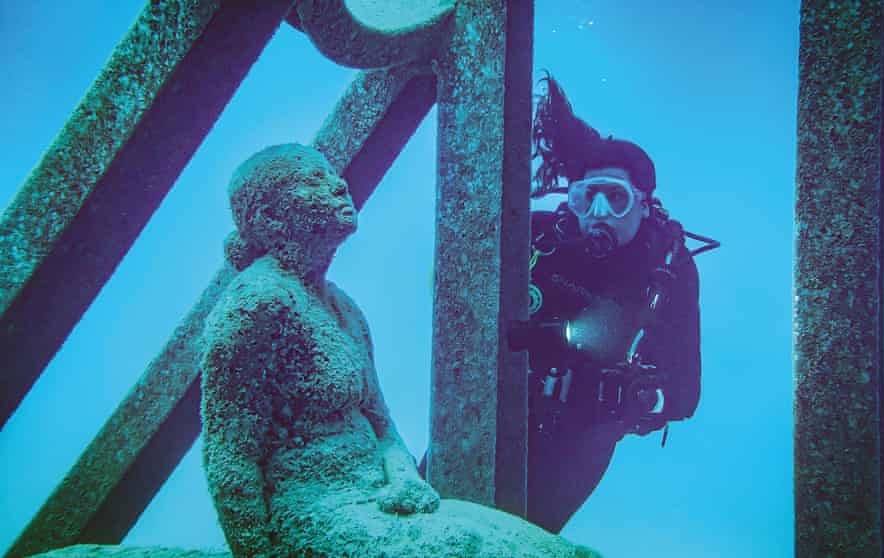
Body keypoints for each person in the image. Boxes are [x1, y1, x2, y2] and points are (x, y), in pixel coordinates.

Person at [199, 143, 601, 558]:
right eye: (312, 180)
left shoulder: (344, 308)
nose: (338, 185)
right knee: (470, 549)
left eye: (331, 174)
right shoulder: (256, 306)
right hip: (314, 515)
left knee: (564, 553)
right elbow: (230, 458)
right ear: (269, 218)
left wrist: (405, 476)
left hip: (382, 502)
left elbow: (382, 424)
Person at [517, 75, 716, 533]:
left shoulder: (668, 268)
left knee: (519, 538)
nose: (600, 214)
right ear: (572, 199)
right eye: (588, 197)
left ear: (645, 205)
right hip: (498, 402)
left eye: (617, 198)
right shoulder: (537, 235)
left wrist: (624, 395)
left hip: (581, 437)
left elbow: (685, 394)